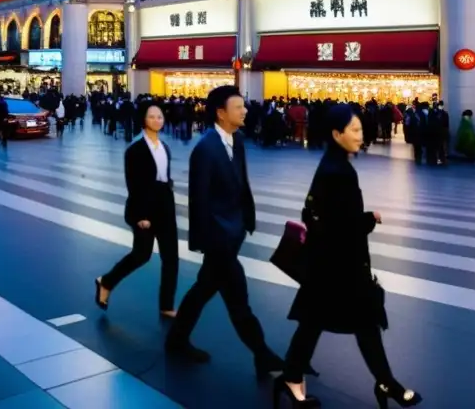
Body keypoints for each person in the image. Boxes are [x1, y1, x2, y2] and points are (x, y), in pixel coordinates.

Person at [278, 104, 422, 409]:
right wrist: (370, 218)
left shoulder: (331, 164)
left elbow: (315, 213)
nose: (361, 135)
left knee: (322, 323)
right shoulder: (339, 172)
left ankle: (294, 377)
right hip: (341, 266)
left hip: (328, 263)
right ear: (336, 134)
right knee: (358, 324)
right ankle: (384, 383)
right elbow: (343, 225)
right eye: (354, 130)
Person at [165, 85, 284, 373]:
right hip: (218, 238)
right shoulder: (205, 149)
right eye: (238, 107)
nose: (245, 111)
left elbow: (242, 182)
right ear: (221, 113)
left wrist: (246, 219)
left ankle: (176, 340)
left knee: (204, 288)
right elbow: (198, 199)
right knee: (238, 299)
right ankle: (262, 354)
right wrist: (202, 241)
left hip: (235, 231)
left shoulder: (238, 140)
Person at [95, 102, 179, 317]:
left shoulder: (164, 147)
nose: (157, 120)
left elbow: (164, 176)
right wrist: (142, 215)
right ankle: (106, 281)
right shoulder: (136, 148)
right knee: (142, 255)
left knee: (171, 258)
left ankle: (167, 306)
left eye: (159, 117)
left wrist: (168, 188)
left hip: (165, 204)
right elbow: (134, 183)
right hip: (144, 206)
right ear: (143, 119)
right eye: (152, 117)